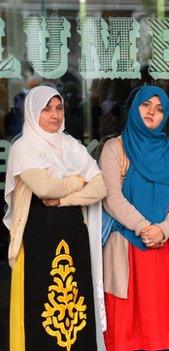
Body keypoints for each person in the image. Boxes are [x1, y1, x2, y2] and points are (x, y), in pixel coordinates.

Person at [4, 85, 107, 350]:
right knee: (41, 304)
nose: (54, 114)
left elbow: (100, 187)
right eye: (46, 109)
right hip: (39, 237)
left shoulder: (71, 145)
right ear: (32, 112)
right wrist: (78, 180)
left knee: (76, 303)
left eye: (59, 107)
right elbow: (44, 187)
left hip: (74, 234)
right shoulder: (24, 147)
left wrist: (63, 199)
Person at [99, 85, 169, 351]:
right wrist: (145, 227)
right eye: (146, 105)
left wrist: (163, 230)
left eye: (159, 109)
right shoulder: (114, 148)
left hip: (168, 251)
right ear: (134, 108)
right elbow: (112, 198)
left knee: (168, 330)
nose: (152, 113)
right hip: (127, 247)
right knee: (127, 330)